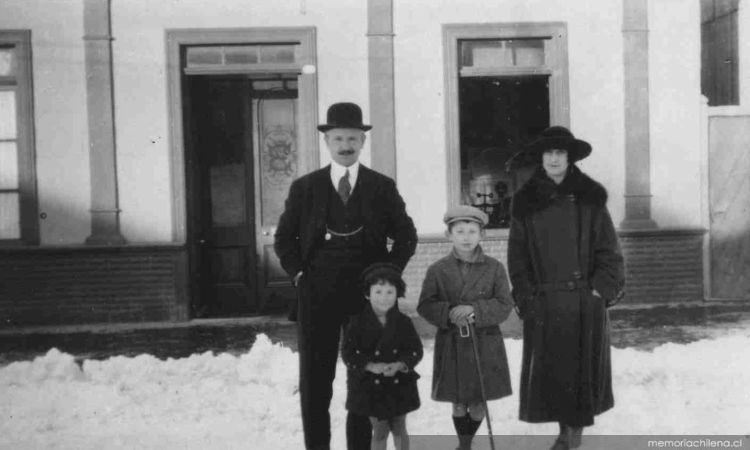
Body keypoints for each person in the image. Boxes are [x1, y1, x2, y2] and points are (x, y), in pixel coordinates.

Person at [274, 102, 418, 450]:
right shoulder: (305, 187)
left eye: (352, 138)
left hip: (365, 301)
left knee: (363, 378)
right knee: (315, 380)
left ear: (362, 141)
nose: (345, 145)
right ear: (327, 141)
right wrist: (299, 276)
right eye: (338, 138)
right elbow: (284, 239)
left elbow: (407, 236)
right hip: (316, 296)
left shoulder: (381, 186)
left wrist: (387, 278)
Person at [507, 126, 625, 450]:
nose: (555, 158)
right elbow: (517, 257)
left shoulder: (590, 197)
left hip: (584, 300)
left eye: (561, 152)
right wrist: (526, 296)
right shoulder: (525, 201)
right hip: (545, 302)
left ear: (570, 158)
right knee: (557, 375)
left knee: (580, 375)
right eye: (549, 152)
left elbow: (609, 250)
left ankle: (572, 440)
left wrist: (600, 290)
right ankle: (564, 435)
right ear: (541, 158)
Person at [417, 205, 513, 450]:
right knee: (458, 400)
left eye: (472, 231)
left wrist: (474, 310)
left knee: (479, 401)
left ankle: (464, 445)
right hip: (453, 342)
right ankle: (465, 445)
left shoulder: (495, 268)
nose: (466, 237)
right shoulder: (437, 269)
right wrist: (448, 312)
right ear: (449, 235)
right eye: (460, 231)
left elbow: (504, 304)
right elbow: (425, 305)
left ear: (483, 234)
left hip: (485, 342)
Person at [342, 263, 423, 450]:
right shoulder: (356, 323)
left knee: (400, 428)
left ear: (398, 294)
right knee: (380, 431)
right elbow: (348, 354)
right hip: (370, 386)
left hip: (399, 383)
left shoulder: (404, 322)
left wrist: (400, 364)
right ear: (367, 294)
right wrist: (370, 366)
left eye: (389, 292)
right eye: (378, 292)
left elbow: (415, 350)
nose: (384, 298)